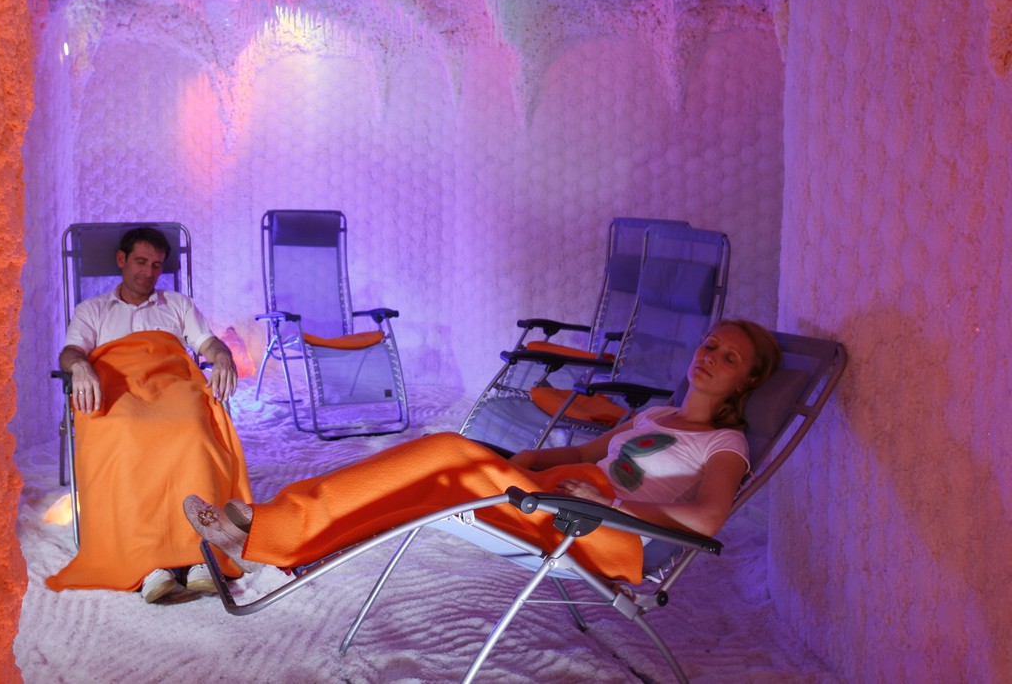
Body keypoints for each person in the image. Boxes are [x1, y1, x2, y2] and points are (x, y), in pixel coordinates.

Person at [184, 319, 779, 584]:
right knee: (443, 471)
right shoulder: (655, 415)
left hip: (603, 532)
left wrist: (613, 510)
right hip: (564, 500)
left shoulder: (726, 442)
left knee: (445, 454)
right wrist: (520, 463)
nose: (711, 357)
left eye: (730, 358)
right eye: (711, 345)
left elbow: (708, 519)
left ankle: (273, 532)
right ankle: (279, 537)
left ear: (747, 381)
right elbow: (591, 451)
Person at [47, 226, 252, 602]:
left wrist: (222, 356)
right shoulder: (92, 310)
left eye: (156, 265)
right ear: (121, 260)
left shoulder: (177, 304)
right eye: (141, 261)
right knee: (127, 434)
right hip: (118, 391)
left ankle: (199, 554)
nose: (149, 272)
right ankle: (148, 562)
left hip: (172, 386)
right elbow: (71, 351)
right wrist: (80, 366)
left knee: (193, 428)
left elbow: (208, 343)